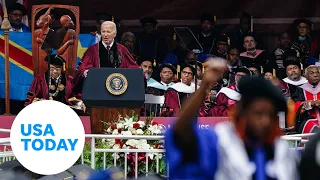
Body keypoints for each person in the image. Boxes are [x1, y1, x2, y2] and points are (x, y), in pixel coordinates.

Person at [165, 58, 299, 179]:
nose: (265, 121)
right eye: (258, 114)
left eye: (270, 115)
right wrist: (204, 86)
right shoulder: (220, 140)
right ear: (243, 112)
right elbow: (180, 131)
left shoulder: (281, 151)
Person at [72, 21, 139, 97]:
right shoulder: (93, 50)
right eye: (103, 31)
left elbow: (133, 68)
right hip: (97, 92)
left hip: (118, 92)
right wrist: (84, 72)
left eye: (108, 32)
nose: (105, 35)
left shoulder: (122, 50)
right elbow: (82, 68)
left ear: (114, 34)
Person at [291, 65, 320, 134]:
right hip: (307, 119)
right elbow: (295, 106)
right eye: (312, 73)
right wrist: (310, 104)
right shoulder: (300, 89)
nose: (315, 75)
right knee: (310, 124)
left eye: (317, 72)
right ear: (306, 76)